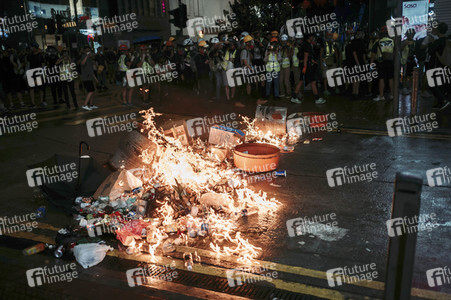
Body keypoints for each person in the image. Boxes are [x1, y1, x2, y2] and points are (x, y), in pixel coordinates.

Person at [302, 34, 326, 104]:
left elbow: (308, 56)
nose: (313, 38)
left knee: (313, 82)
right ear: (309, 37)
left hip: (310, 65)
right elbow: (306, 57)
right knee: (313, 82)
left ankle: (317, 98)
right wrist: (305, 67)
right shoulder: (307, 45)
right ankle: (317, 99)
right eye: (312, 37)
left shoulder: (309, 45)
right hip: (309, 66)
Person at [371, 27, 394, 101]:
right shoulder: (392, 41)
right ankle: (392, 95)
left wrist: (371, 66)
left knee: (381, 79)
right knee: (391, 79)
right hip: (390, 62)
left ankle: (381, 96)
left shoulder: (378, 42)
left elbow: (373, 55)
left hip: (381, 63)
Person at [27, 42, 47, 107]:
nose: (32, 48)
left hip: (39, 73)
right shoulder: (29, 56)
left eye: (33, 47)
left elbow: (43, 65)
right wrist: (26, 73)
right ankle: (33, 103)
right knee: (31, 89)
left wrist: (44, 73)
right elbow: (28, 65)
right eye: (32, 47)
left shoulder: (40, 56)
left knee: (41, 88)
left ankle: (41, 101)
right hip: (31, 73)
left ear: (36, 48)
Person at [80, 46, 98, 110]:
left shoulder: (90, 60)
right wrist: (86, 56)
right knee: (90, 91)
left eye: (90, 51)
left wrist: (95, 78)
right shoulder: (84, 57)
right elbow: (82, 63)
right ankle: (85, 105)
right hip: (86, 78)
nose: (89, 53)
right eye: (87, 51)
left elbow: (91, 70)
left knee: (92, 91)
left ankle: (91, 104)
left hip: (90, 77)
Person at [279, 34, 292, 99]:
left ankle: (288, 93)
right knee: (280, 80)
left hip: (286, 66)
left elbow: (290, 56)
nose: (283, 42)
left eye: (285, 41)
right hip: (281, 66)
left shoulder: (288, 47)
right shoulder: (280, 47)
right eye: (282, 41)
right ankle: (282, 93)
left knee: (286, 81)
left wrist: (287, 49)